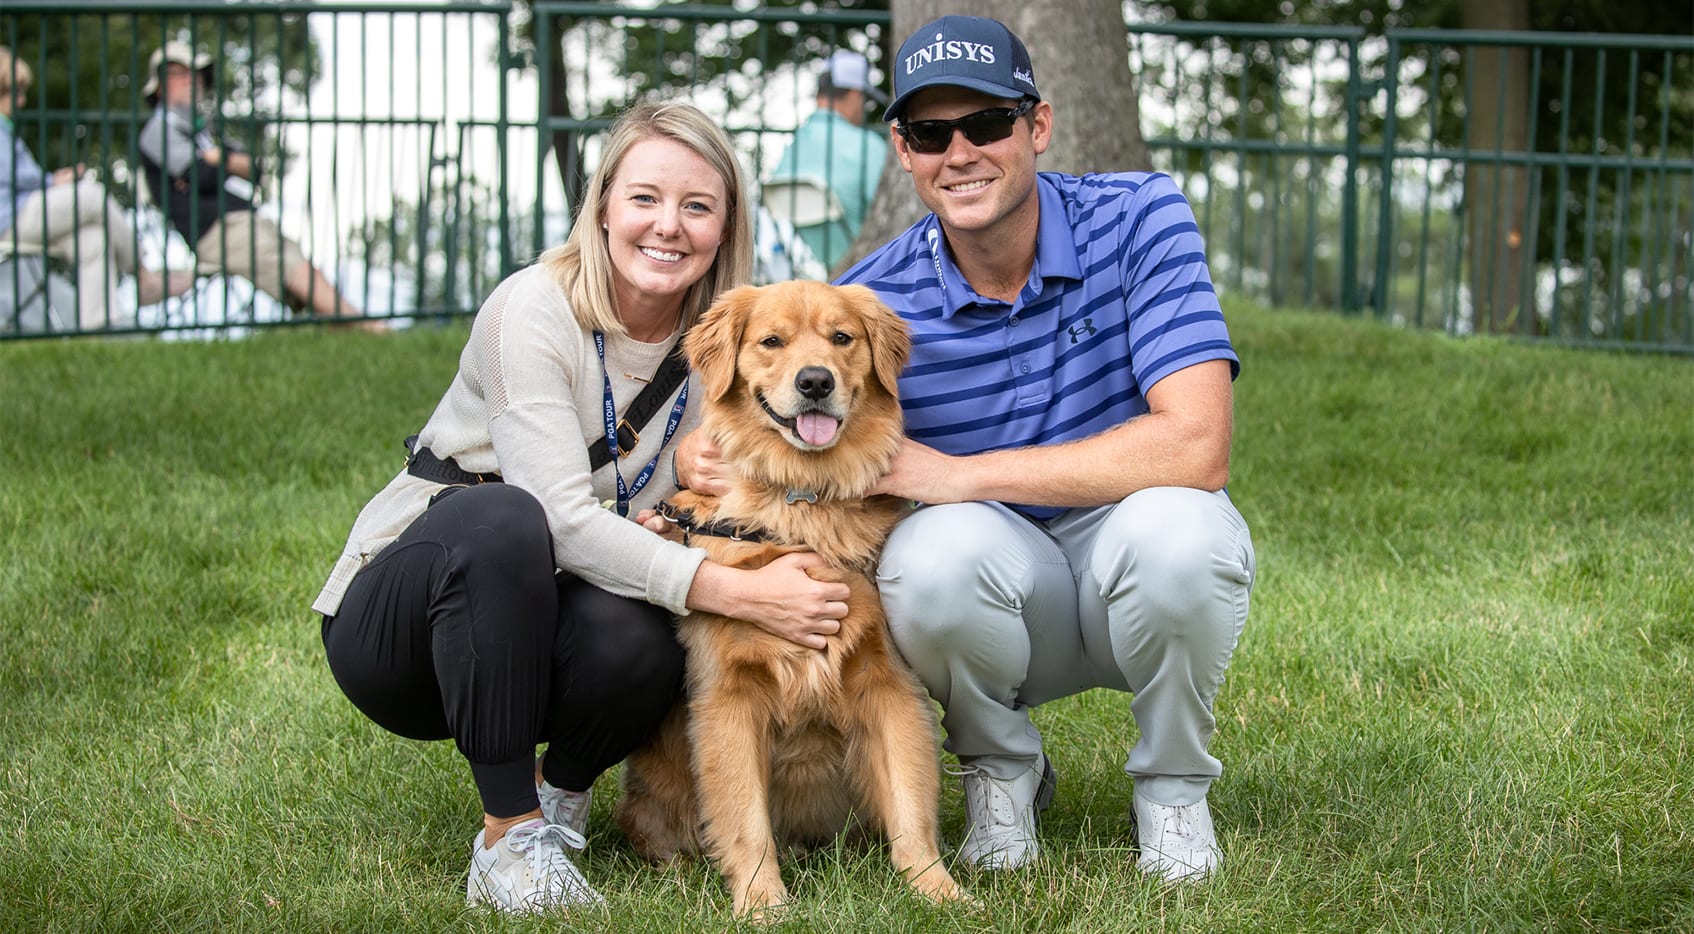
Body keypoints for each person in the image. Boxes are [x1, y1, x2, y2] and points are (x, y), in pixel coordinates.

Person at [672, 16, 1256, 883]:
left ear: (1039, 126)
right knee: (932, 556)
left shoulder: (1141, 217)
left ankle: (1172, 791)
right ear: (903, 151)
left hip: (1129, 564)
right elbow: (773, 392)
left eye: (987, 124)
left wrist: (958, 475)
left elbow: (1200, 446)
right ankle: (1001, 775)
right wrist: (698, 460)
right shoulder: (873, 300)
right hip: (998, 590)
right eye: (931, 133)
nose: (962, 153)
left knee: (1183, 531)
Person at [312, 101, 854, 915]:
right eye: (644, 198)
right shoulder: (530, 309)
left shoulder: (737, 335)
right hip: (409, 633)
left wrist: (682, 487)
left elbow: (726, 503)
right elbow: (561, 520)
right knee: (505, 521)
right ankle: (508, 836)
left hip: (547, 624)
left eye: (697, 206)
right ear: (602, 206)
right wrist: (744, 594)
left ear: (725, 223)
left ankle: (559, 799)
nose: (668, 226)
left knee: (651, 631)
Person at [136, 41, 361, 321]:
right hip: (215, 230)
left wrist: (218, 157)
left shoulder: (204, 129)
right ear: (159, 87)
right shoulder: (158, 131)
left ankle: (343, 325)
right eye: (178, 74)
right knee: (296, 269)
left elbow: (254, 169)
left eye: (195, 75)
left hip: (241, 218)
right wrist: (219, 162)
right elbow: (202, 176)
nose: (190, 82)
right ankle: (371, 329)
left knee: (299, 262)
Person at [1, 45, 193, 330]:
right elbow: (8, 176)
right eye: (13, 92)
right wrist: (53, 182)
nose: (21, 100)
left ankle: (96, 335)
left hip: (22, 210)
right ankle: (142, 274)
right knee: (92, 197)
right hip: (8, 217)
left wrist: (53, 180)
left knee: (93, 239)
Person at [764, 49, 889, 272]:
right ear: (855, 95)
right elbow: (887, 211)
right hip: (864, 268)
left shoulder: (793, 147)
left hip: (805, 270)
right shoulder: (868, 144)